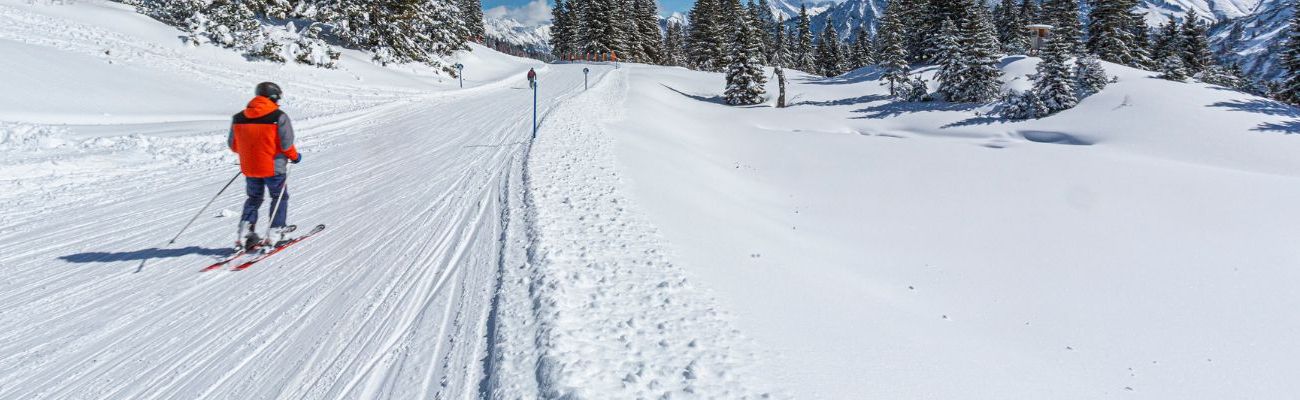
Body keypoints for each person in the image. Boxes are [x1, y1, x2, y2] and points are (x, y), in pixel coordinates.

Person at [228, 82, 301, 250]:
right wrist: (295, 157)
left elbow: (233, 145)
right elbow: (286, 144)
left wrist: (252, 153)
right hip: (273, 168)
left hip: (250, 167)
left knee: (254, 198)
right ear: (273, 97)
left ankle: (245, 233)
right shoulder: (278, 116)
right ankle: (276, 232)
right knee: (279, 196)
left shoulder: (239, 117)